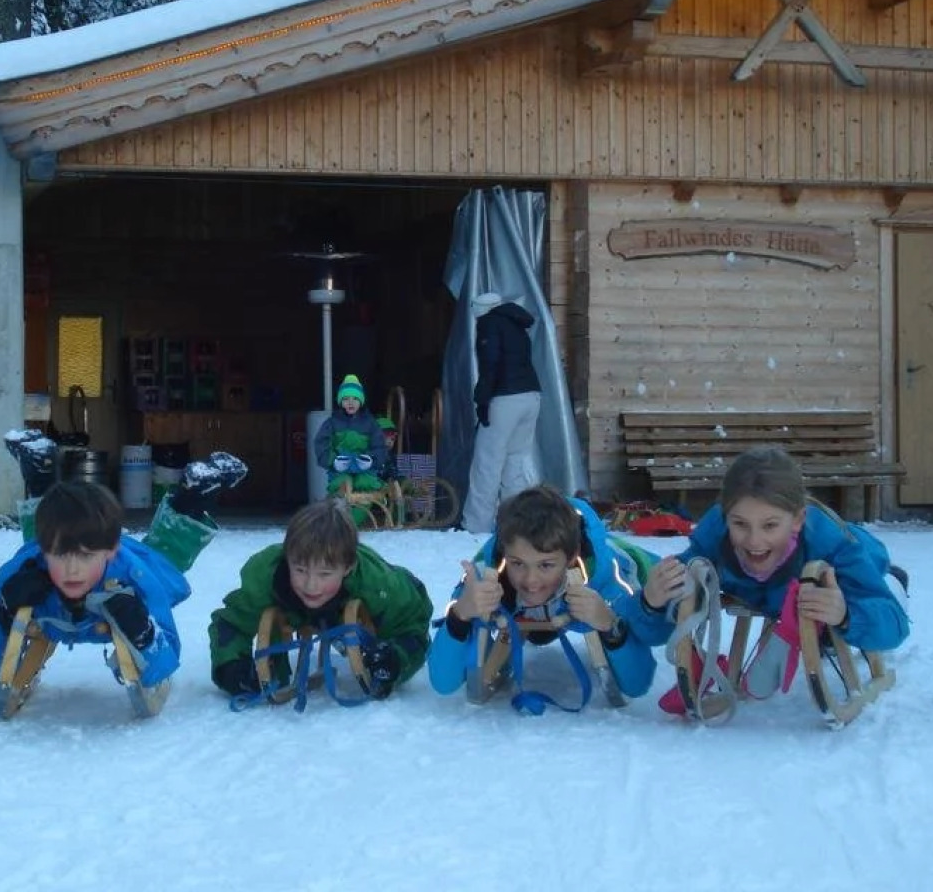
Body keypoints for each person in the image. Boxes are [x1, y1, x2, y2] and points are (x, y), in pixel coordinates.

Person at [642, 445, 910, 710]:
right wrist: (653, 600)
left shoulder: (834, 547)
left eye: (770, 525)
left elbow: (895, 623)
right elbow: (672, 590)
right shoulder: (713, 541)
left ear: (797, 520)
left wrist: (848, 615)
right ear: (726, 518)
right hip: (776, 595)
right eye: (740, 524)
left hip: (869, 562)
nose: (754, 541)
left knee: (880, 592)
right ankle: (817, 632)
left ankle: (892, 584)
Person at [0, 453, 248, 693]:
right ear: (45, 551)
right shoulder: (28, 565)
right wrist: (4, 611)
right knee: (43, 536)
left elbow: (167, 658)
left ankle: (193, 498)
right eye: (59, 555)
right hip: (58, 551)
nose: (72, 569)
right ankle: (41, 475)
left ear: (110, 550)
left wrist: (144, 633)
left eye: (84, 557)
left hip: (130, 566)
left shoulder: (133, 577)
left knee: (166, 560)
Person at [427, 484, 662, 703]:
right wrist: (460, 616)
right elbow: (443, 683)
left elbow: (637, 685)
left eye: (545, 565)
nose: (531, 580)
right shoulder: (485, 571)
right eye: (517, 564)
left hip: (632, 563)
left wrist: (611, 626)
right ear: (505, 552)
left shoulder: (607, 576)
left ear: (570, 559)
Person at [208, 495, 433, 702]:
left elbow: (413, 625)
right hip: (297, 606)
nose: (311, 585)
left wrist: (395, 659)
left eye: (324, 574)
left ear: (347, 568)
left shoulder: (378, 585)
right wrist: (232, 668)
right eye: (300, 570)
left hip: (386, 595)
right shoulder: (268, 577)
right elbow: (231, 622)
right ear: (287, 560)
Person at [460, 291, 541, 538]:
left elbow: (490, 364)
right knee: (516, 460)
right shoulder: (517, 324)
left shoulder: (489, 323)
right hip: (532, 395)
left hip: (504, 399)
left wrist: (482, 400)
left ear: (482, 308)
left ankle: (476, 525)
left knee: (488, 461)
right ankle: (516, 522)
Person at [313, 374, 390, 525]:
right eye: (346, 398)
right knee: (341, 485)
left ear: (361, 401)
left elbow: (380, 447)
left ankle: (351, 524)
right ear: (341, 401)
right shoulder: (332, 423)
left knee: (366, 485)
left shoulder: (371, 424)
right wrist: (333, 461)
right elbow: (321, 444)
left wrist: (371, 460)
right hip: (341, 468)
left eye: (355, 399)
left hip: (364, 468)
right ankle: (338, 522)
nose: (351, 402)